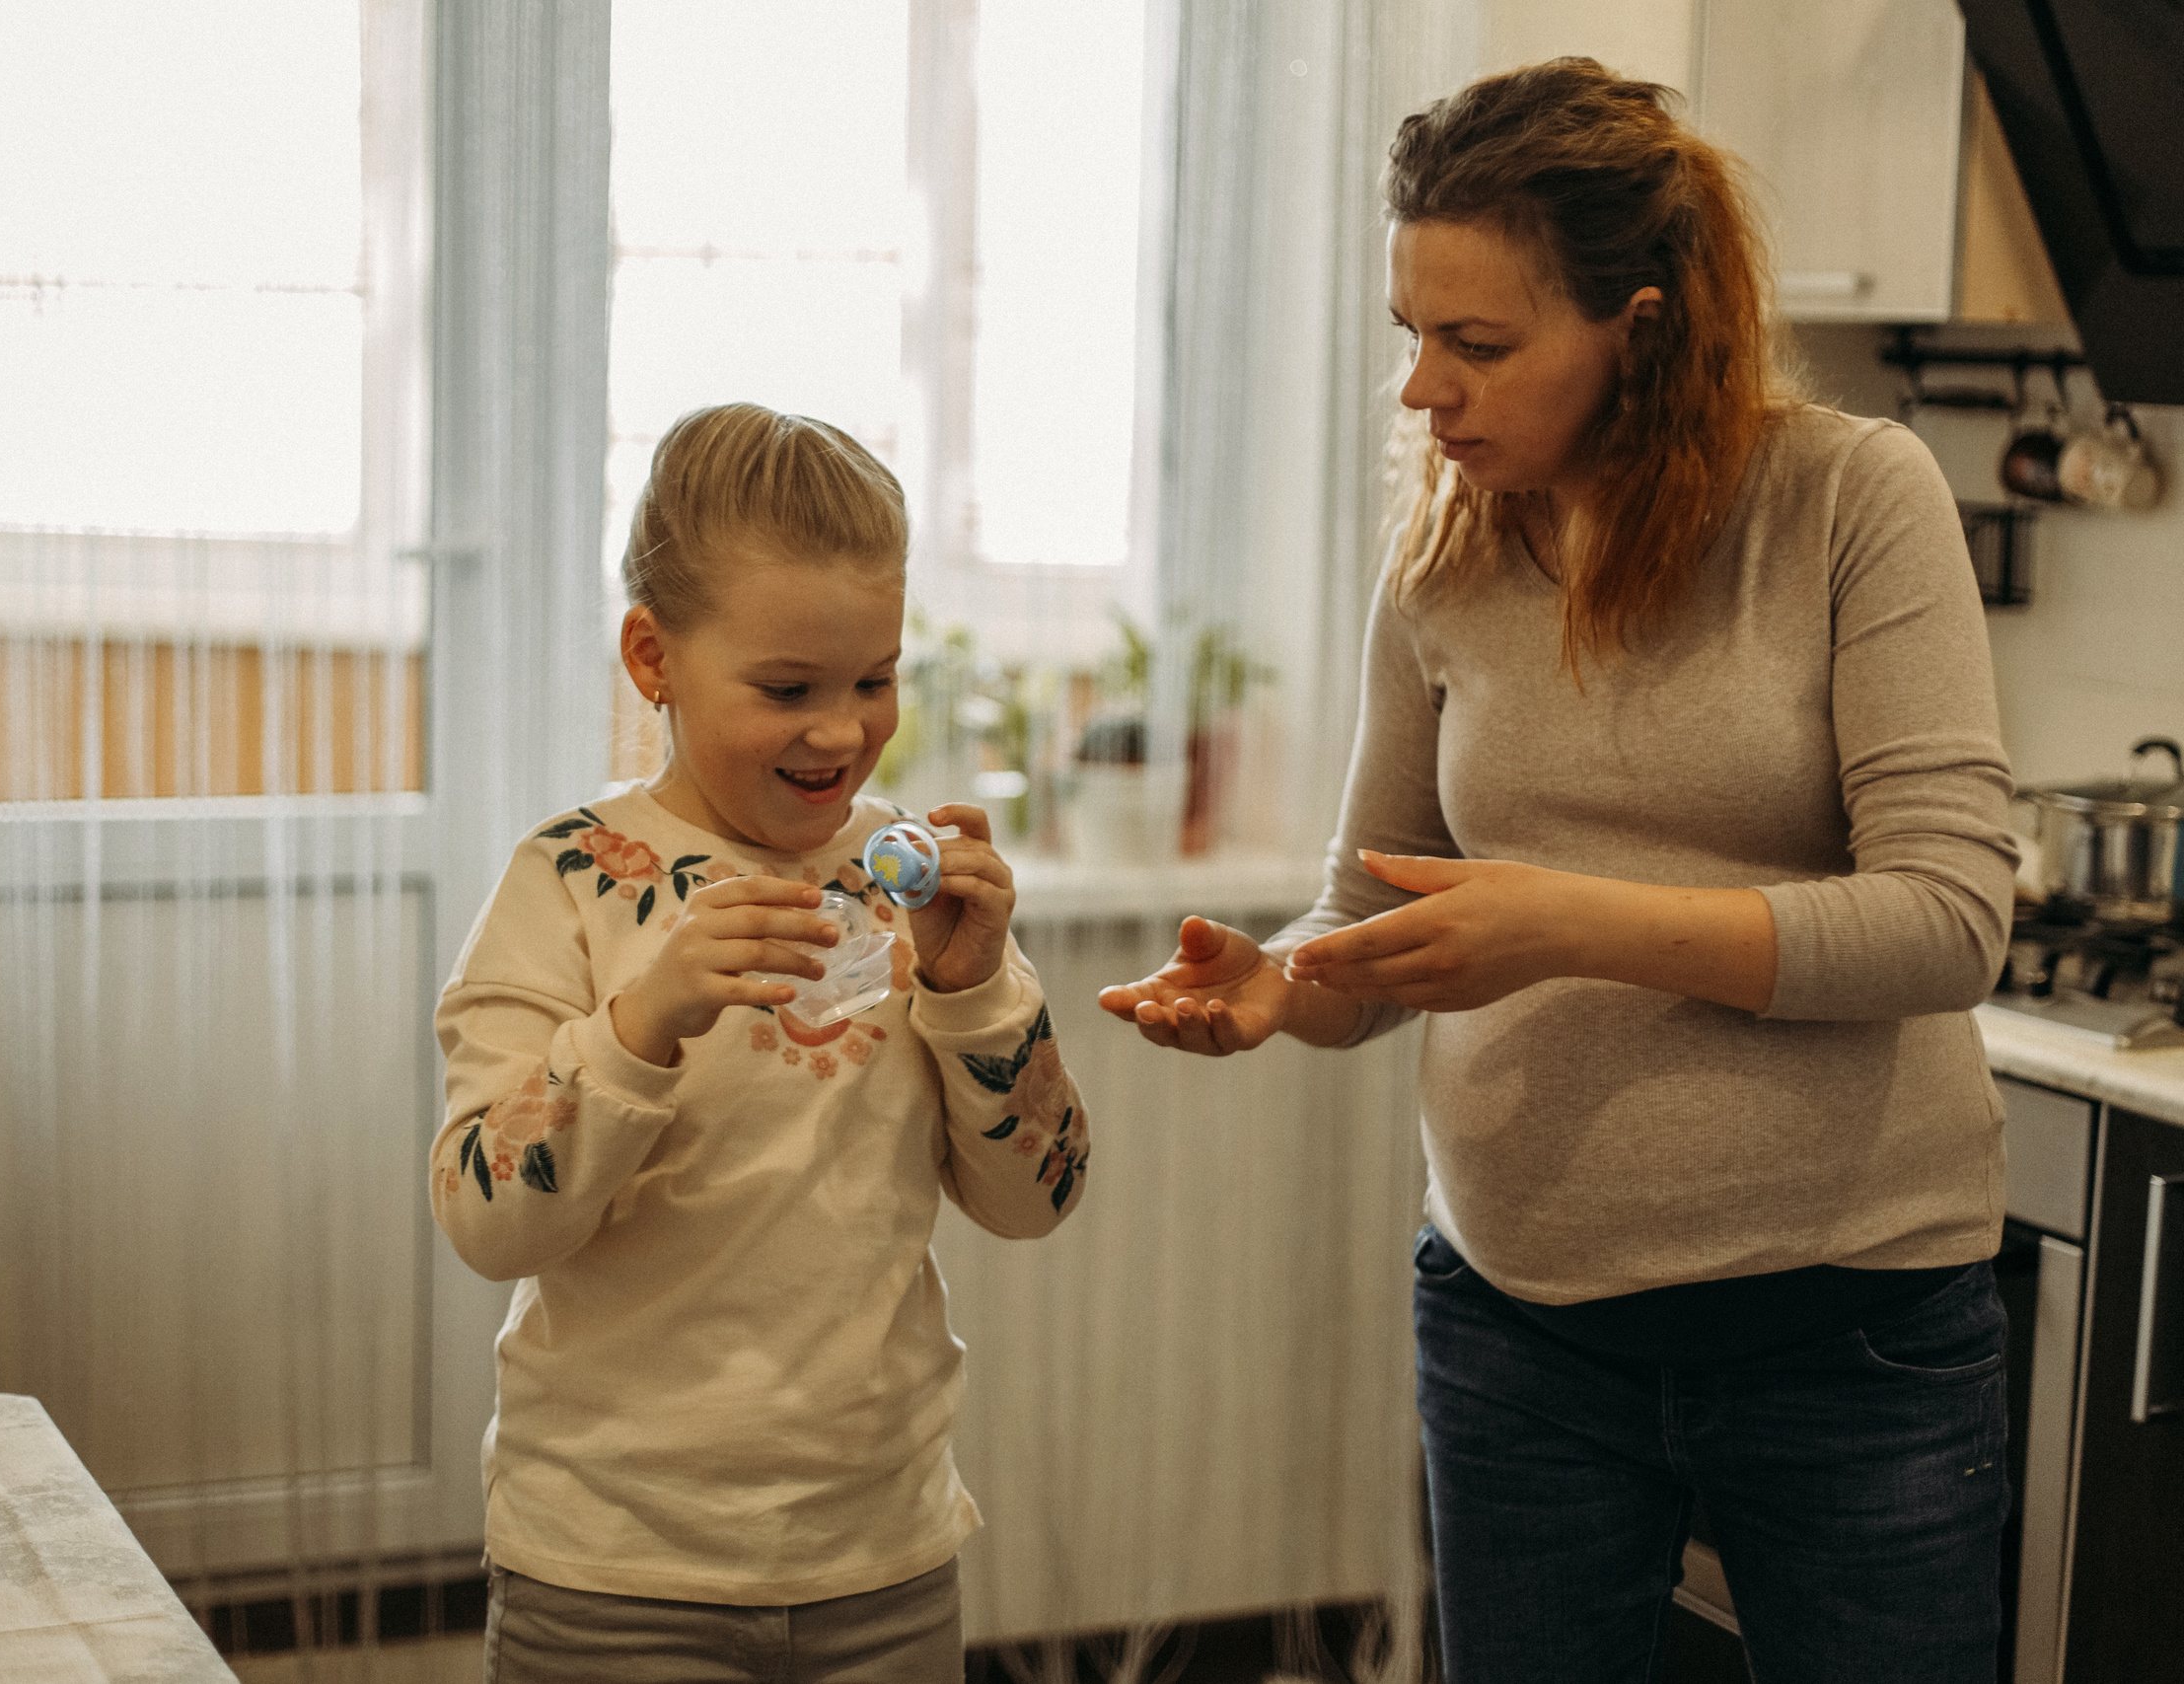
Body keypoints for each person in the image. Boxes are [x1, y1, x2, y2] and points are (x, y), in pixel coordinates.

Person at [1099, 59, 2017, 1684]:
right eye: (1411, 336)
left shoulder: (1848, 502)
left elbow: (1949, 925)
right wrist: (1282, 985)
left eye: (1479, 344)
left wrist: (1570, 923)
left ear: (1642, 326)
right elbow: (1380, 906)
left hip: (1850, 1337)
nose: (1422, 393)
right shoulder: (1447, 551)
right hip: (1519, 1333)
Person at [432, 402, 1090, 1683]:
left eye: (874, 680)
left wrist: (973, 993)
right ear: (652, 656)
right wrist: (642, 1024)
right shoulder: (568, 880)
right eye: (788, 689)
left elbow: (1038, 1200)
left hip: (880, 1559)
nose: (842, 732)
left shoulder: (912, 890)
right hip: (614, 1570)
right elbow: (484, 1218)